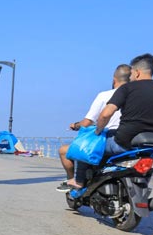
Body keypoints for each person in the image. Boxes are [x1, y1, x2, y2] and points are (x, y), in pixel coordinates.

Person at [72, 53, 153, 189]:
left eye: (132, 73)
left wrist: (98, 131)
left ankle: (79, 182)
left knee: (86, 144)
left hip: (124, 143)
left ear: (138, 72)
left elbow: (105, 114)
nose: (131, 77)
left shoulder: (127, 88)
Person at [56, 64, 131, 192]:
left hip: (107, 139)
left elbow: (87, 122)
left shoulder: (104, 95)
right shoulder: (134, 96)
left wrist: (75, 125)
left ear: (114, 80)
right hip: (128, 139)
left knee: (64, 150)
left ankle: (73, 181)